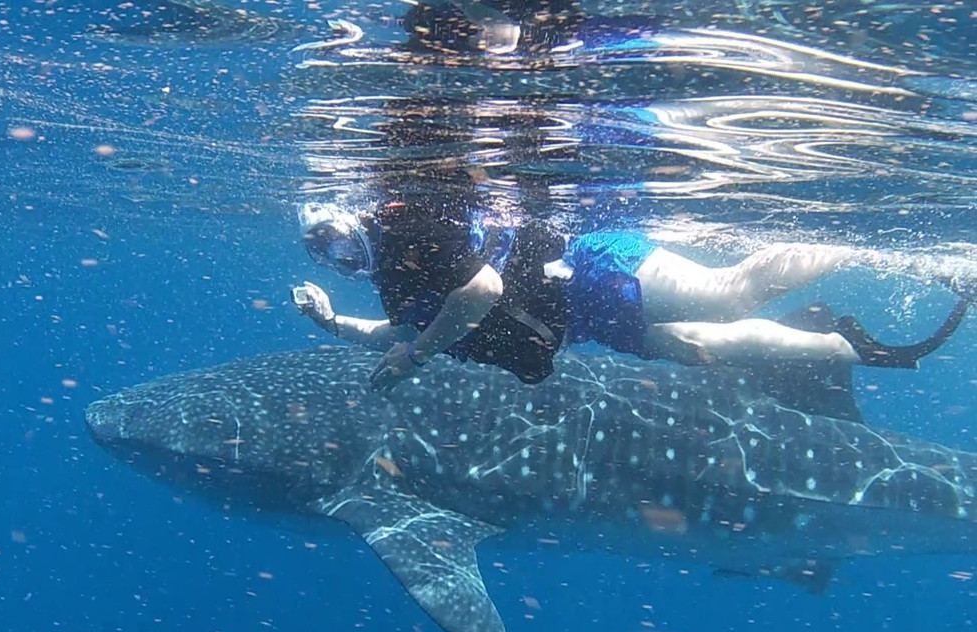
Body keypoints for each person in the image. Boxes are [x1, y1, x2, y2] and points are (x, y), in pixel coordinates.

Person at [292, 198, 970, 393]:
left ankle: (864, 237)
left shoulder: (421, 233)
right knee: (698, 346)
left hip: (591, 271)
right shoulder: (393, 282)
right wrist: (331, 323)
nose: (338, 256)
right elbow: (397, 337)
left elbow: (479, 292)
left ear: (358, 217)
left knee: (727, 296)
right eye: (322, 252)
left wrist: (414, 361)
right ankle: (844, 348)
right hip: (578, 319)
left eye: (336, 238)